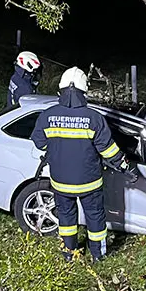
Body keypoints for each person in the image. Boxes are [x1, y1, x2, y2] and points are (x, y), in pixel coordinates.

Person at [30, 66, 137, 262]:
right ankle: (98, 255)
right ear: (84, 92)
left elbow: (39, 142)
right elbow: (108, 150)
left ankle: (69, 254)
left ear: (61, 90)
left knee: (66, 219)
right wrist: (125, 167)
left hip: (60, 183)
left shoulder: (47, 116)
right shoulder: (94, 118)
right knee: (95, 218)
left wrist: (58, 148)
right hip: (90, 183)